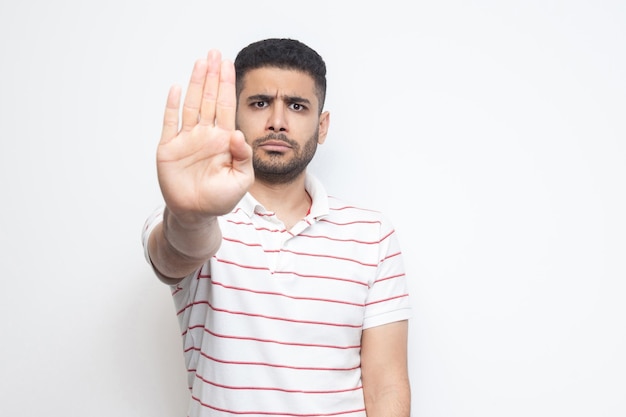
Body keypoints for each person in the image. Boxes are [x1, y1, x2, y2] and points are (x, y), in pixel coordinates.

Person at [141, 38, 412, 417]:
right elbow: (174, 254)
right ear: (234, 115)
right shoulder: (190, 214)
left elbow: (386, 388)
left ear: (322, 126)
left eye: (296, 106)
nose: (277, 121)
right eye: (259, 103)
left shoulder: (372, 235)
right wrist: (190, 214)